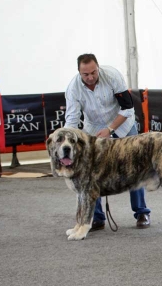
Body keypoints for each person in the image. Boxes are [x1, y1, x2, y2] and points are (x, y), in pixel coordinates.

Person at [64, 53, 151, 231]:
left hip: (123, 124)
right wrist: (67, 139)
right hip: (93, 128)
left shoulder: (112, 76)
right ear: (79, 72)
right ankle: (96, 218)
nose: (90, 77)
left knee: (134, 167)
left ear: (98, 67)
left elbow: (127, 108)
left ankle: (142, 212)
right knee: (90, 173)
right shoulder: (73, 88)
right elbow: (72, 120)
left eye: (93, 72)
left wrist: (110, 130)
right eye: (85, 74)